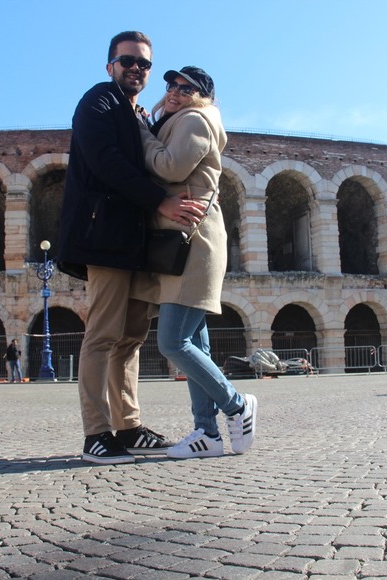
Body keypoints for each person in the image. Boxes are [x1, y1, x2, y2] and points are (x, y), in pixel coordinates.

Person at [56, 32, 207, 464]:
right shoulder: (98, 101)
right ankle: (96, 434)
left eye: (144, 64)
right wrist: (161, 201)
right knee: (103, 335)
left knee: (131, 338)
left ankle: (129, 426)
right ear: (110, 66)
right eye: (128, 61)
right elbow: (106, 162)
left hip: (136, 240)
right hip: (104, 237)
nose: (136, 68)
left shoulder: (136, 112)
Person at [132, 66, 257, 459]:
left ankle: (237, 404)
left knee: (173, 341)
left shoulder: (195, 119)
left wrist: (140, 134)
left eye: (187, 88)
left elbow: (171, 167)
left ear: (202, 96)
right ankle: (207, 433)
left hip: (193, 243)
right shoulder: (173, 120)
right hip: (181, 241)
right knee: (195, 341)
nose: (175, 91)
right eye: (171, 84)